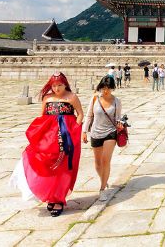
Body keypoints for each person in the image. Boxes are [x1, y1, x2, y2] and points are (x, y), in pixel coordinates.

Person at [10, 72, 83, 216]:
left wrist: (75, 129)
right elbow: (43, 116)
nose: (57, 89)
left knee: (63, 168)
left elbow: (80, 113)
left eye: (60, 85)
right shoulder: (47, 98)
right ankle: (50, 196)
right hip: (49, 137)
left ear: (65, 84)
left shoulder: (72, 97)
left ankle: (58, 199)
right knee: (47, 165)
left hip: (67, 136)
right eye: (54, 86)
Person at [83, 75, 125, 199]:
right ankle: (104, 180)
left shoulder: (117, 101)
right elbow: (89, 116)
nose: (105, 91)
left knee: (105, 160)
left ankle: (102, 189)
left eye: (108, 88)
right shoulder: (95, 99)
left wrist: (120, 124)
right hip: (96, 133)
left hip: (110, 133)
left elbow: (118, 118)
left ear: (112, 88)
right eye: (103, 88)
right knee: (97, 163)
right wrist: (84, 131)